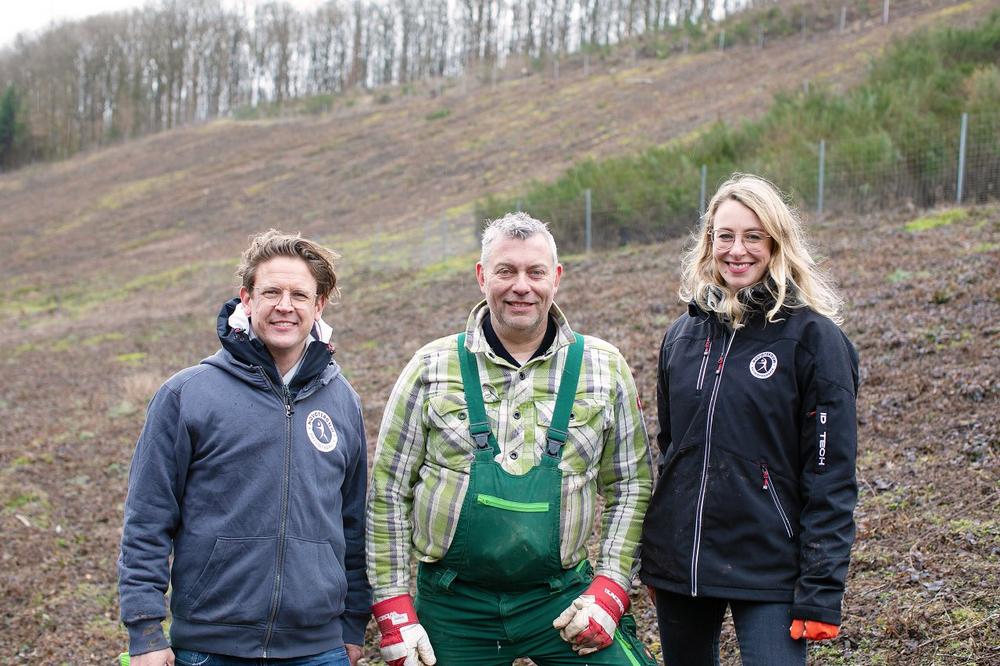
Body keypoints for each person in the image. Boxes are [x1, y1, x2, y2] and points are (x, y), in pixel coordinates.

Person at [366, 212, 656, 666]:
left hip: (562, 599)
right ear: (482, 276)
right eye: (506, 271)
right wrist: (392, 606)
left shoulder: (604, 368)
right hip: (454, 604)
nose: (521, 286)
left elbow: (631, 484)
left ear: (556, 278)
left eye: (535, 272)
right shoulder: (429, 367)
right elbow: (388, 490)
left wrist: (612, 587)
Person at [117, 230, 371, 666]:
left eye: (299, 295)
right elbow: (148, 518)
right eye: (271, 292)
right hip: (211, 647)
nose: (285, 306)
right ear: (247, 299)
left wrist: (352, 624)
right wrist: (145, 633)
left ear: (319, 305)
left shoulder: (343, 401)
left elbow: (352, 524)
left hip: (319, 648)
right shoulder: (187, 394)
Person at [640, 173, 860, 665]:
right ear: (709, 243)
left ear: (776, 243)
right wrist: (658, 559)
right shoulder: (680, 337)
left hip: (771, 569)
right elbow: (671, 451)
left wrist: (821, 589)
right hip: (683, 570)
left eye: (753, 236)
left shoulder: (815, 341)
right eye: (725, 236)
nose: (737, 250)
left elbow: (830, 475)